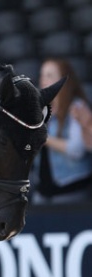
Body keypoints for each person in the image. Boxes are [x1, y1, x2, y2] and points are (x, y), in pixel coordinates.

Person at [31, 58, 92, 205]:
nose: (43, 80)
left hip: (70, 188)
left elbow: (77, 150)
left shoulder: (76, 107)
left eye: (50, 75)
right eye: (42, 75)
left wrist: (43, 136)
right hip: (43, 189)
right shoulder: (39, 109)